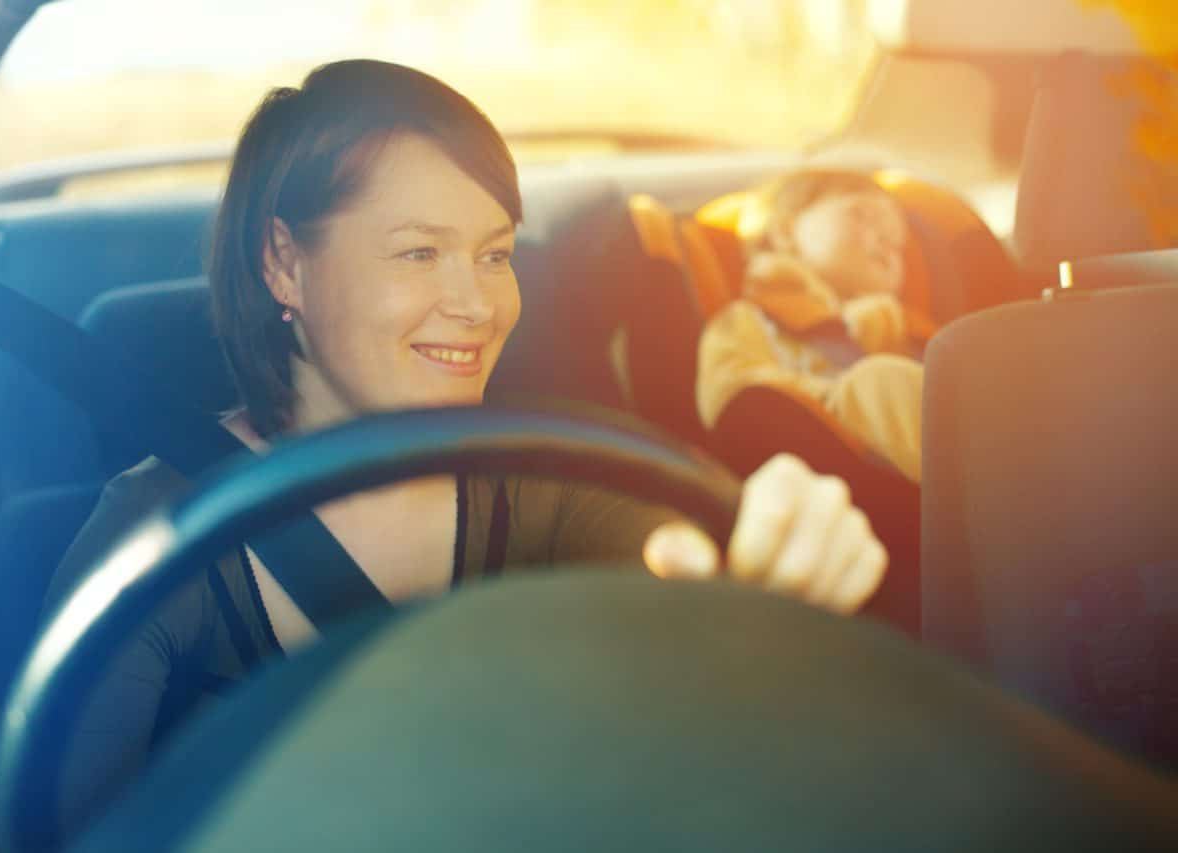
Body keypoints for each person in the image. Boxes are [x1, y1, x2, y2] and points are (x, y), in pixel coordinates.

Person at [43, 61, 889, 839]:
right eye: (420, 252)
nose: (476, 304)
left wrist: (768, 578)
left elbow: (688, 582)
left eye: (493, 255)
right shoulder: (155, 535)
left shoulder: (548, 476)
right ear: (283, 264)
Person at [696, 170, 933, 482]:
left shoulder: (912, 329)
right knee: (880, 380)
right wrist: (840, 400)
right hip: (833, 465)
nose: (888, 239)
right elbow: (734, 395)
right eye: (863, 216)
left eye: (898, 240)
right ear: (786, 233)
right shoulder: (752, 318)